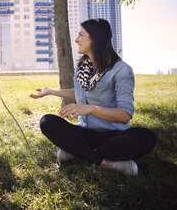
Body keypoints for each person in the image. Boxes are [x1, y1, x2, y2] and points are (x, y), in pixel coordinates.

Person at [30, 19, 156, 176]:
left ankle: (78, 153)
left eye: (81, 35)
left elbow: (125, 115)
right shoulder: (82, 67)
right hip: (85, 133)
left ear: (95, 39)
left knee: (146, 137)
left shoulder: (121, 70)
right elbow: (80, 93)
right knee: (47, 122)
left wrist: (90, 109)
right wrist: (51, 91)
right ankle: (105, 162)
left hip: (113, 136)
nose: (76, 40)